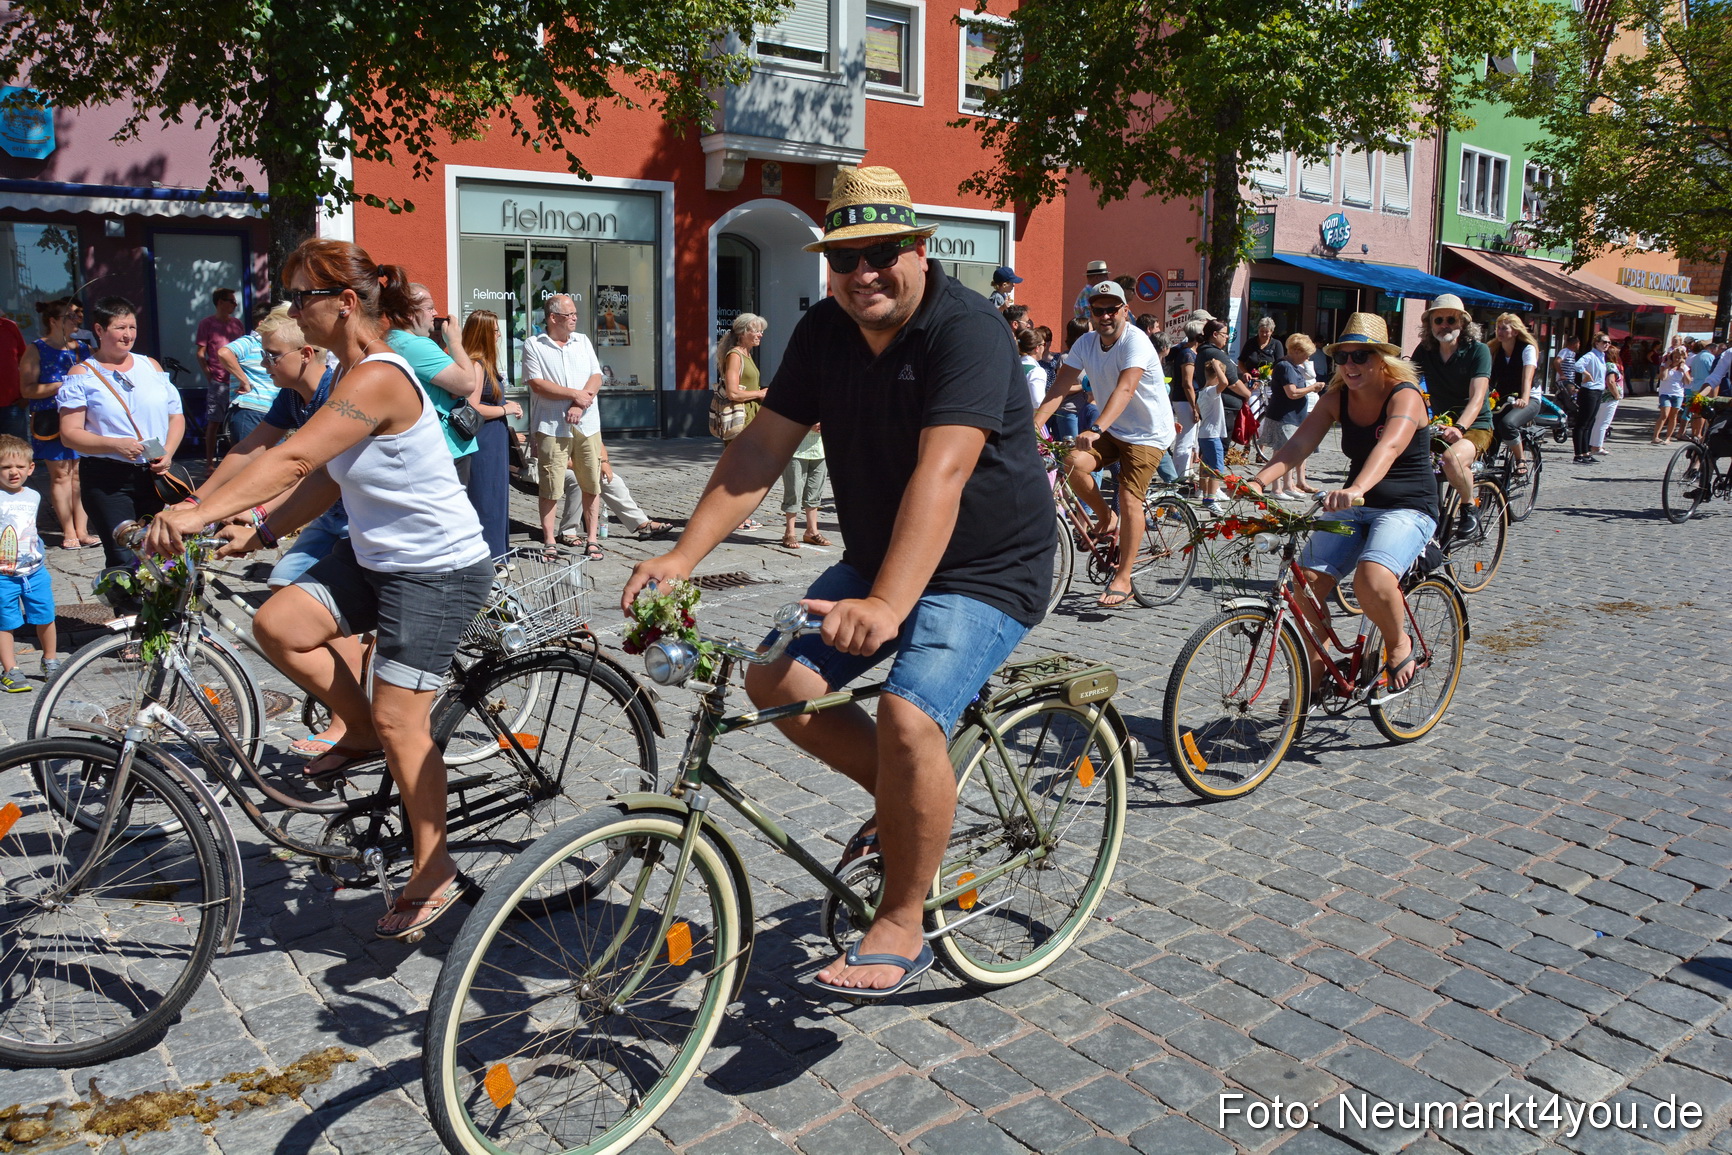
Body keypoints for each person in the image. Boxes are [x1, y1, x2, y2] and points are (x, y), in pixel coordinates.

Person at [624, 164, 1053, 999]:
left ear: (919, 250)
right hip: (876, 549)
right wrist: (682, 556)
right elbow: (759, 450)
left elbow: (946, 469)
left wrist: (890, 604)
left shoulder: (966, 329)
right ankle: (906, 803)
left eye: (882, 252)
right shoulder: (824, 330)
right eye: (845, 258)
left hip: (989, 565)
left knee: (905, 711)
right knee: (773, 674)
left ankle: (901, 916)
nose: (864, 274)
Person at [149, 239, 495, 941]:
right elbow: (329, 474)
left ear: (344, 303)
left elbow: (296, 454)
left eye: (303, 295)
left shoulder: (381, 376)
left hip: (436, 569)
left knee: (406, 719)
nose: (291, 309)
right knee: (278, 623)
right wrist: (266, 529)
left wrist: (196, 512)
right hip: (375, 559)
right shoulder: (345, 372)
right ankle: (359, 727)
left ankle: (434, 866)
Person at [173, 307, 362, 759]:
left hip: (355, 514)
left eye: (273, 355)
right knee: (284, 582)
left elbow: (303, 470)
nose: (263, 363)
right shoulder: (291, 396)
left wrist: (255, 517)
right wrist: (195, 502)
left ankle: (351, 721)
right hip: (328, 513)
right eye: (263, 353)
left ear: (306, 353)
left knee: (325, 604)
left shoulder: (332, 395)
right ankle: (352, 686)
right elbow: (249, 449)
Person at [1246, 314, 1438, 701]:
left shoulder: (1405, 394)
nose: (1350, 365)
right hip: (1356, 504)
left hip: (1407, 506)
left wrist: (1356, 488)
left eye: (1361, 356)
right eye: (1343, 358)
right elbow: (1299, 445)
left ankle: (1398, 643)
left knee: (1371, 580)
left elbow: (1390, 447)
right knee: (1305, 588)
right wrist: (1257, 481)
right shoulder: (1337, 398)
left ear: (1382, 359)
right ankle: (1314, 681)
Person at [1034, 280, 1175, 608]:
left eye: (1113, 309)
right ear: (1092, 314)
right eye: (1100, 310)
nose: (1107, 315)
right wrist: (1034, 424)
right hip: (1114, 429)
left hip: (1147, 433)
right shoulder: (1085, 343)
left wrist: (1096, 427)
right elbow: (1059, 387)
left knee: (1128, 496)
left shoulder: (1136, 342)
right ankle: (1105, 519)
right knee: (1071, 462)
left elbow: (1125, 390)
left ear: (1126, 311)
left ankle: (1124, 577)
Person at [56, 296, 185, 569]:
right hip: (107, 480)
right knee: (124, 556)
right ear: (100, 330)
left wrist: (168, 453)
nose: (128, 335)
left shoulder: (151, 366)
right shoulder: (82, 374)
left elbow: (176, 417)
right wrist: (114, 445)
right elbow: (70, 433)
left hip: (153, 475)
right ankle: (128, 610)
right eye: (120, 328)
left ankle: (161, 611)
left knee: (157, 551)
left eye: (132, 327)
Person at [523, 295, 605, 554]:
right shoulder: (534, 344)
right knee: (551, 484)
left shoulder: (583, 341)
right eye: (569, 315)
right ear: (553, 318)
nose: (575, 318)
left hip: (587, 424)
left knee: (591, 481)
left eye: (575, 314)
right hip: (551, 425)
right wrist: (573, 394)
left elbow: (596, 376)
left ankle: (592, 538)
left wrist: (580, 403)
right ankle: (549, 540)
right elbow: (537, 383)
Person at [1410, 294, 1491, 537]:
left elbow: (1478, 396)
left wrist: (1461, 427)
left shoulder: (1479, 351)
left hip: (1475, 425)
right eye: (1438, 320)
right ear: (1430, 325)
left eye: (1451, 320)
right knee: (1407, 455)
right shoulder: (1425, 351)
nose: (1444, 325)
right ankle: (1427, 510)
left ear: (1463, 324)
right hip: (1438, 423)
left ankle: (1468, 507)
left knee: (1451, 458)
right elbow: (1408, 382)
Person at [388, 283, 483, 484]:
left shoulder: (391, 339)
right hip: (445, 447)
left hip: (423, 446)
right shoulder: (415, 345)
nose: (436, 313)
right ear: (410, 313)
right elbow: (466, 383)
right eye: (430, 308)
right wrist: (455, 342)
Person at [24, 299, 94, 548]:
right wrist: (62, 384)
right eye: (70, 316)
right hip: (50, 420)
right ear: (54, 320)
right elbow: (27, 389)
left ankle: (83, 530)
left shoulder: (83, 349)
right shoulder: (37, 349)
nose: (77, 320)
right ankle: (68, 531)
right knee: (61, 475)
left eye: (78, 315)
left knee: (79, 475)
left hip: (80, 418)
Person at [460, 310, 522, 558]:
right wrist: (505, 408)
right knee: (485, 496)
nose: (498, 335)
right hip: (484, 439)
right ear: (485, 333)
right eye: (495, 330)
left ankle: (497, 552)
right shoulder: (476, 364)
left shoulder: (485, 363)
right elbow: (472, 406)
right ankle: (489, 554)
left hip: (494, 437)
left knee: (496, 495)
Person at [0, 435, 59, 689]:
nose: (14, 472)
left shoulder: (34, 496)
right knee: (5, 622)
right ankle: (11, 669)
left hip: (34, 571)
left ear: (30, 468)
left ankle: (51, 661)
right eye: (5, 467)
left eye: (19, 467)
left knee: (45, 615)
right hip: (3, 574)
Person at [715, 313, 770, 532]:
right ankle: (734, 518)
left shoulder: (746, 354)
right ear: (742, 332)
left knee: (746, 470)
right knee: (738, 470)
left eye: (761, 331)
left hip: (751, 419)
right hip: (740, 420)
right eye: (756, 330)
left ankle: (740, 516)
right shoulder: (735, 355)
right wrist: (761, 393)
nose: (760, 335)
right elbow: (732, 392)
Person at [1197, 317, 1250, 507]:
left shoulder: (1203, 392)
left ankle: (1204, 491)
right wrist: (1248, 394)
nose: (1227, 338)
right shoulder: (1214, 356)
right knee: (1216, 465)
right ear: (1214, 334)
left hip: (1206, 432)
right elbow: (1229, 382)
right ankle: (1212, 495)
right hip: (1217, 426)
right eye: (1225, 334)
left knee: (1206, 460)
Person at [215, 303, 284, 446]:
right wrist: (244, 381)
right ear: (262, 323)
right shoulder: (250, 341)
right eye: (278, 321)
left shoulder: (270, 346)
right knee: (249, 463)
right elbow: (224, 352)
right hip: (250, 410)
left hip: (271, 412)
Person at [1264, 334, 1321, 498]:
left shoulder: (1294, 365)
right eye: (1305, 354)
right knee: (1280, 452)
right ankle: (1276, 488)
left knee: (1289, 452)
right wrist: (1312, 388)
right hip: (1283, 416)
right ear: (1296, 351)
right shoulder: (1285, 366)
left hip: (1293, 416)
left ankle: (1289, 485)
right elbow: (1292, 392)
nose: (1307, 358)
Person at [195, 288, 245, 465]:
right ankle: (209, 464)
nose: (234, 304)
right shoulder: (207, 324)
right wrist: (209, 375)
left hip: (237, 381)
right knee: (214, 422)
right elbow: (200, 353)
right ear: (220, 302)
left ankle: (236, 463)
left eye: (235, 301)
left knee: (237, 422)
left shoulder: (237, 324)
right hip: (219, 380)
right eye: (231, 301)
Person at [1488, 313, 1541, 470]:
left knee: (1507, 424)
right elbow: (1488, 380)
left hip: (1529, 397)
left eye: (1504, 328)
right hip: (1504, 397)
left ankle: (1521, 459)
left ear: (1516, 332)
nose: (1500, 332)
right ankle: (1487, 470)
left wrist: (1524, 398)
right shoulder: (1495, 350)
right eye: (1498, 328)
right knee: (1488, 426)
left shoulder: (1526, 349)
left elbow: (1527, 378)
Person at [779, 423, 829, 549]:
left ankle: (812, 531)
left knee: (815, 491)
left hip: (820, 449)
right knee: (794, 491)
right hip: (796, 448)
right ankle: (789, 533)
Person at [1163, 319, 1199, 483]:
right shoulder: (1188, 354)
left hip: (1184, 399)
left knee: (1189, 438)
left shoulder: (1186, 351)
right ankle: (1180, 474)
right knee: (1185, 438)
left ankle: (1186, 471)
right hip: (1185, 400)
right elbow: (1187, 383)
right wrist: (1194, 406)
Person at [1572, 332, 1610, 464]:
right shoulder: (1591, 355)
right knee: (1582, 423)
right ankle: (1578, 454)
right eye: (1604, 342)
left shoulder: (1602, 356)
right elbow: (1577, 365)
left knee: (1590, 423)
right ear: (1597, 343)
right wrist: (1586, 374)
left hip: (1598, 391)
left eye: (1608, 342)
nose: (1606, 345)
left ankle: (1586, 452)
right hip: (1589, 391)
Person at [0, 313, 30, 442]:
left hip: (12, 404)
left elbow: (24, 361)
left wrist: (26, 395)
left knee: (16, 453)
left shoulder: (9, 326)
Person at [1652, 348, 1689, 444]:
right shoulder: (1664, 366)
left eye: (1679, 358)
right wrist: (1667, 366)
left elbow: (1688, 381)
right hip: (1665, 393)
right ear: (1671, 357)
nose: (1677, 359)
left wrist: (1683, 371)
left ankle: (1668, 438)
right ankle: (1655, 436)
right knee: (1664, 414)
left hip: (1678, 394)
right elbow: (1663, 378)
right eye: (1675, 357)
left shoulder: (1684, 368)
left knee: (1674, 416)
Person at [1591, 345, 1623, 455]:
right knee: (1604, 423)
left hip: (1601, 397)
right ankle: (1597, 446)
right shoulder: (1611, 366)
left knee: (1598, 422)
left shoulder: (1601, 364)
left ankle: (1594, 444)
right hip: (1609, 398)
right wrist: (1616, 395)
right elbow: (1611, 381)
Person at [1016, 327, 1047, 411]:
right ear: (1037, 348)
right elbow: (1038, 402)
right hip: (1026, 419)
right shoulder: (1036, 371)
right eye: (1043, 344)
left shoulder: (1012, 365)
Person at [1072, 259, 1112, 323]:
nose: (1107, 278)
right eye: (1105, 275)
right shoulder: (1088, 294)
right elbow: (1090, 320)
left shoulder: (1089, 293)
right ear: (1097, 277)